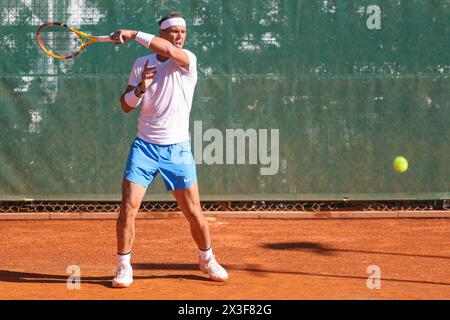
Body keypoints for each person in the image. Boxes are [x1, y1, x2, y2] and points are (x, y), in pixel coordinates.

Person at [110, 13, 228, 288]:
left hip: (177, 149)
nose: (179, 36)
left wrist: (132, 32)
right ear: (162, 33)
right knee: (128, 209)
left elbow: (170, 52)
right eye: (173, 31)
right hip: (144, 148)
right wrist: (141, 89)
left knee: (194, 212)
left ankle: (206, 258)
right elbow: (126, 105)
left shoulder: (187, 59)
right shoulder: (141, 63)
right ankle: (123, 266)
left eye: (183, 32)